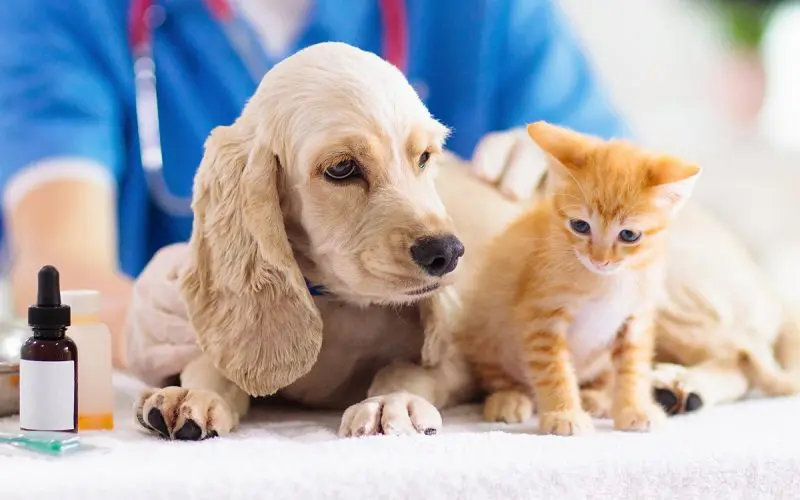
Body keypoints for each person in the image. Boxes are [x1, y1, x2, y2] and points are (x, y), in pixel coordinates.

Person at [0, 0, 626, 369]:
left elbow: (646, 199)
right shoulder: (65, 13)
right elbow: (57, 266)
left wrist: (576, 186)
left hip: (429, 377)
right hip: (206, 387)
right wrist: (143, 321)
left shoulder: (492, 14)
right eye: (344, 168)